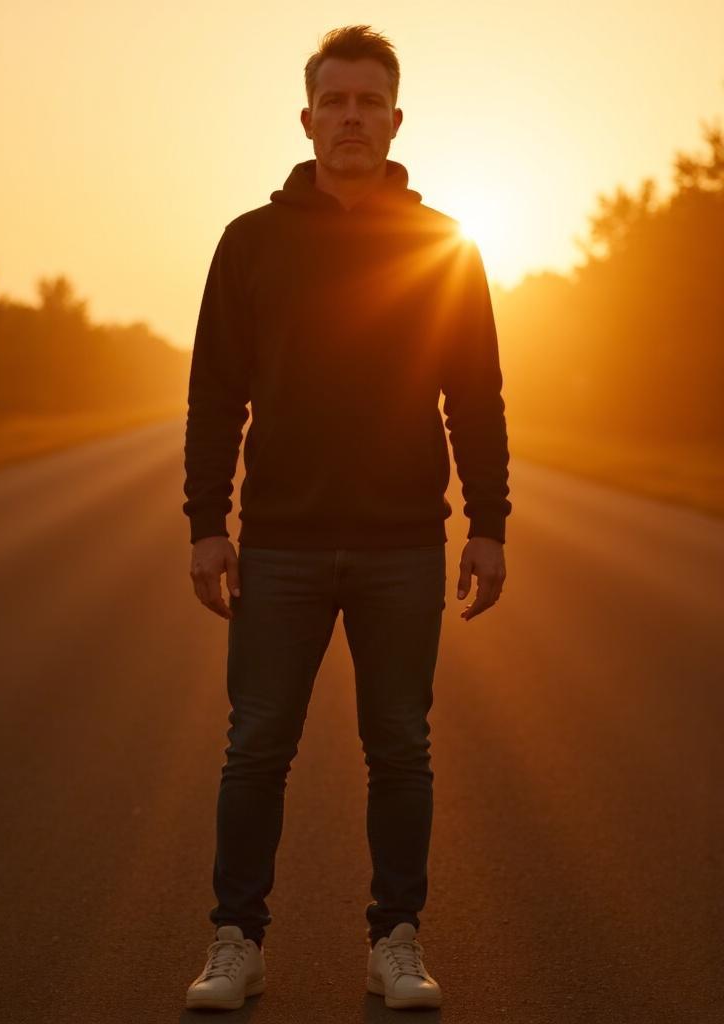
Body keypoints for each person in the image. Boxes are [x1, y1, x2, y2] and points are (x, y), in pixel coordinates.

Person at [183, 24, 511, 1012]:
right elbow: (214, 395)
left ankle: (395, 941)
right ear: (308, 118)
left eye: (370, 102)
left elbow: (476, 397)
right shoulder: (251, 241)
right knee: (256, 747)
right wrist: (209, 521)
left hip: (402, 542)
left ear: (395, 119)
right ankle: (236, 942)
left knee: (400, 746)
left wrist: (489, 524)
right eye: (336, 101)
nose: (352, 118)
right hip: (278, 541)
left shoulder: (444, 244)